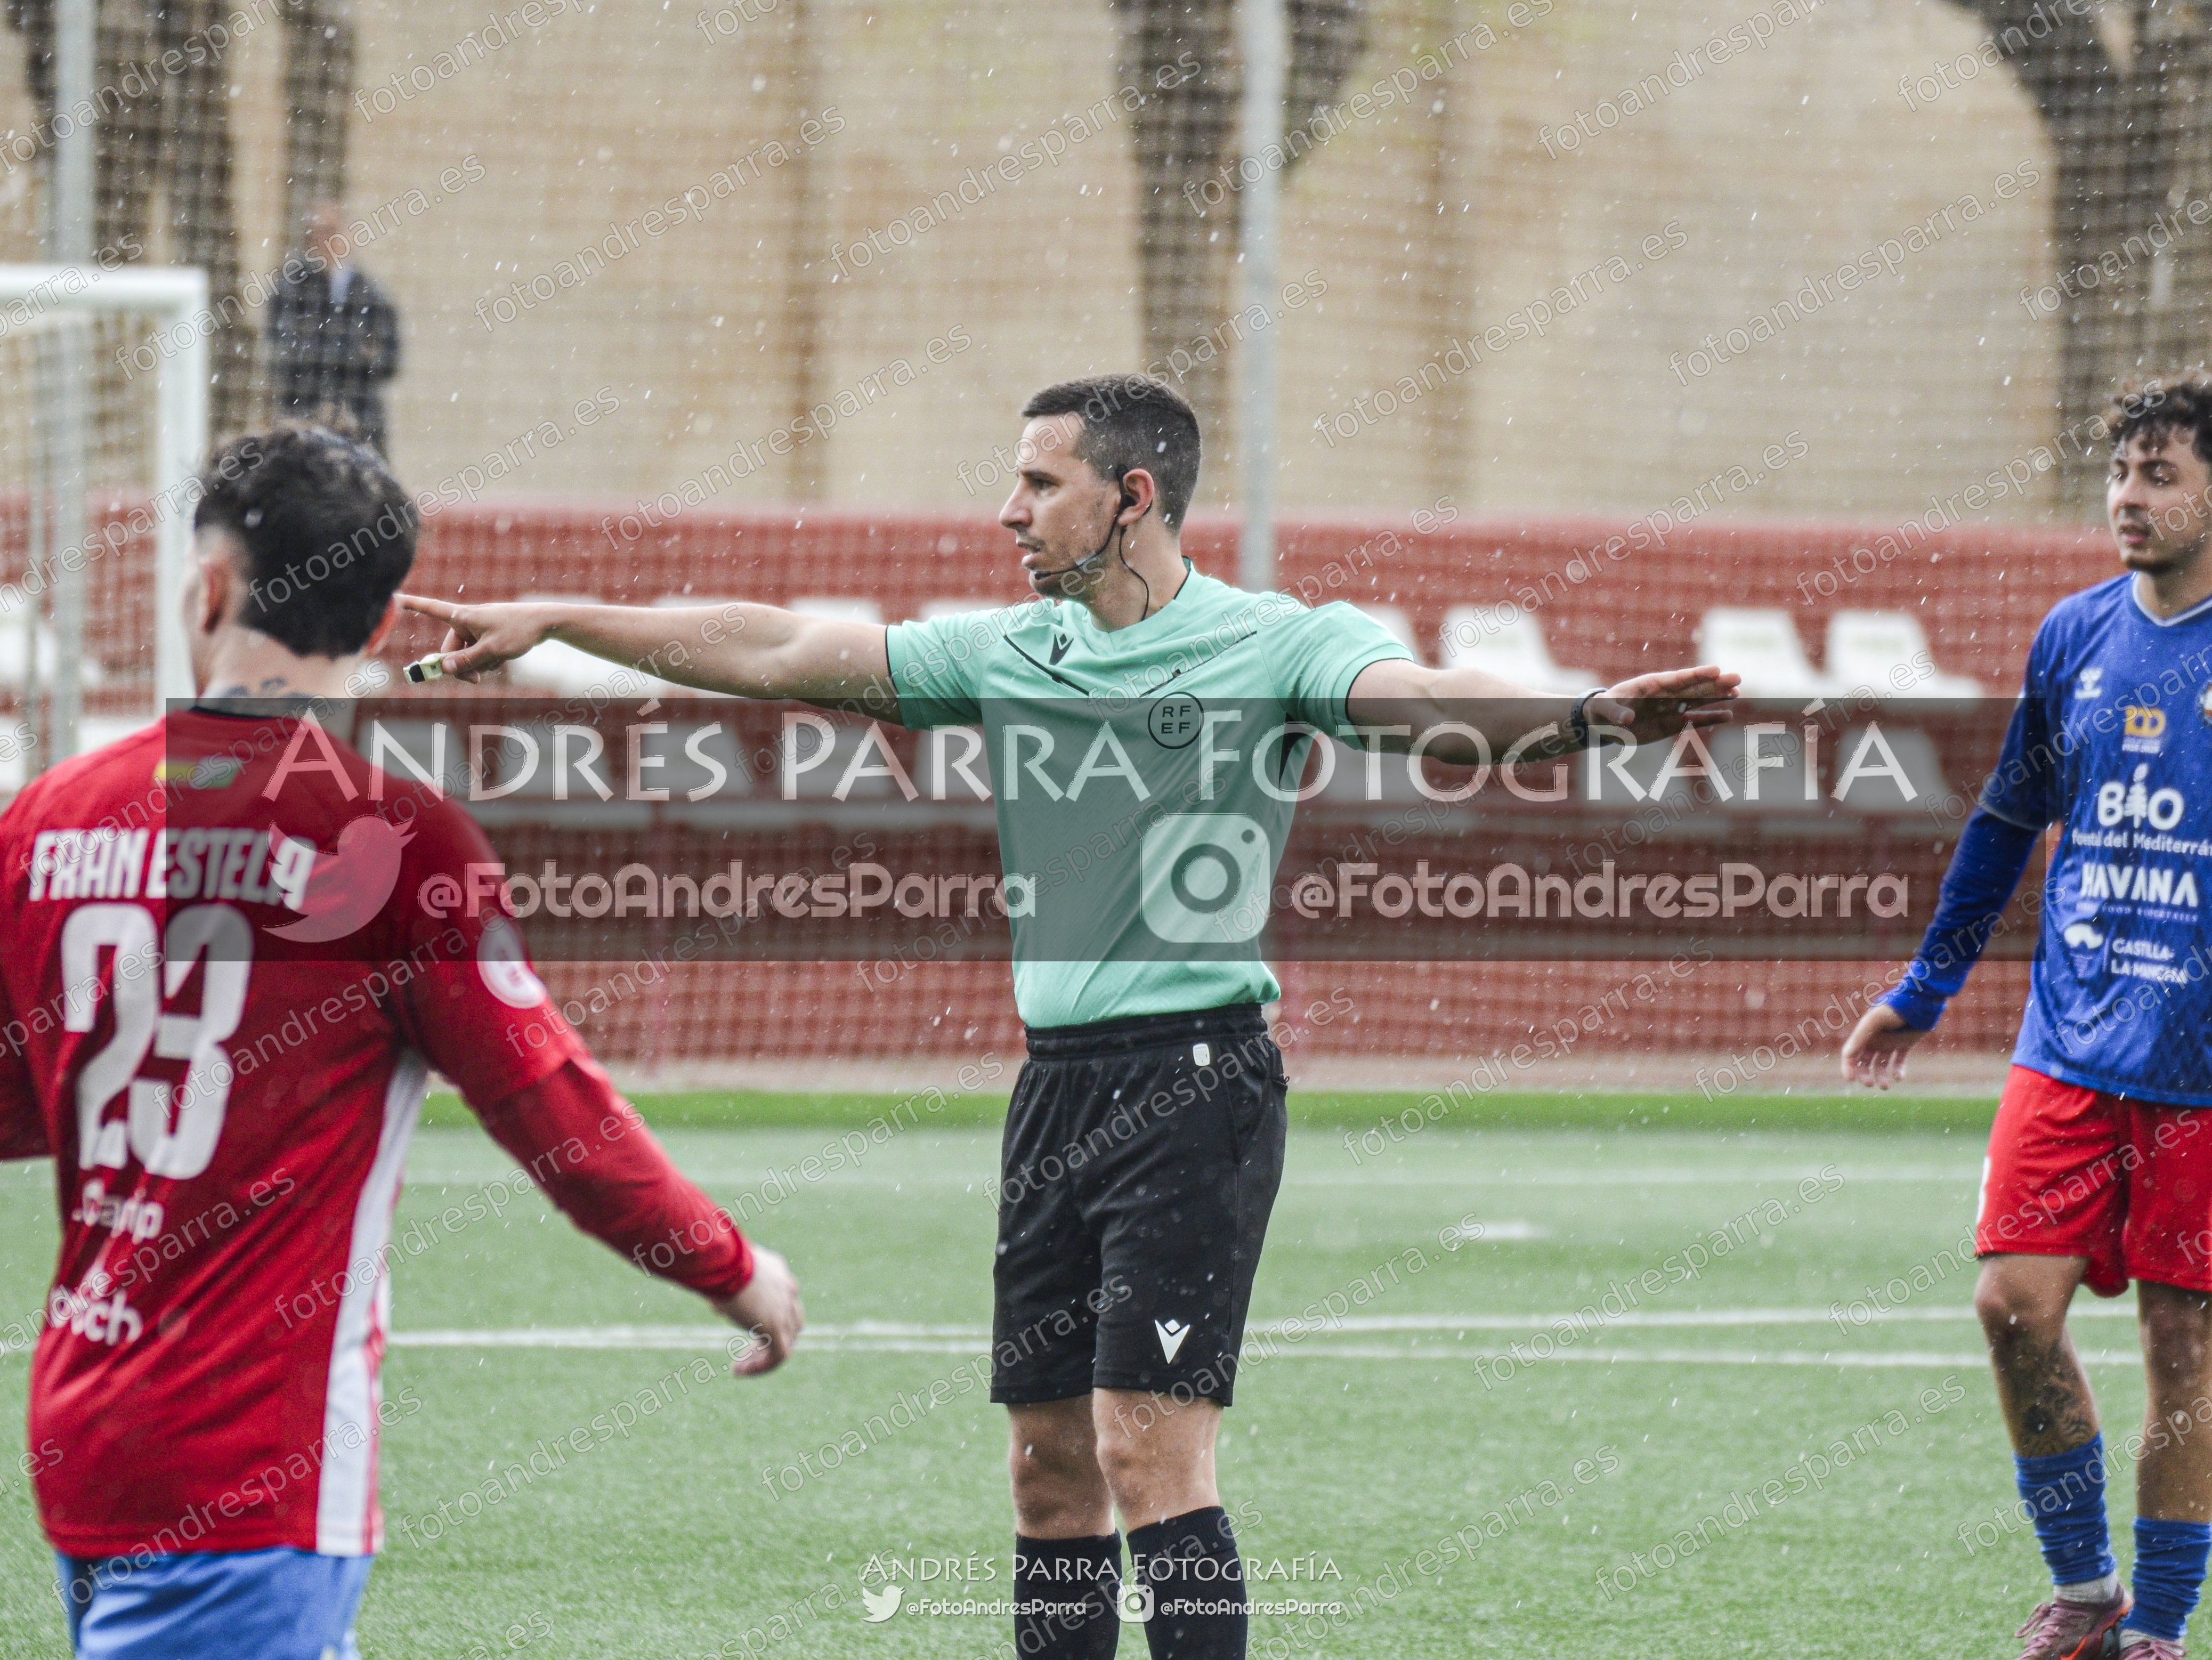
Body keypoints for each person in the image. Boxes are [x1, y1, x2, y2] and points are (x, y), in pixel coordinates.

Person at [400, 373, 1737, 1660]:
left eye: (1040, 483)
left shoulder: (1280, 639)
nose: (1009, 510)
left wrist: (1580, 720)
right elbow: (779, 647)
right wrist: (562, 615)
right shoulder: (1009, 649)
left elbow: (1430, 709)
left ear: (1133, 497)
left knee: (1150, 1454)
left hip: (1195, 1083)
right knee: (1047, 1472)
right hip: (1057, 1090)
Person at [0, 424, 803, 1660]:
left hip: (82, 1433)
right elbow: (556, 1116)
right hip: (250, 1469)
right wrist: (729, 1264)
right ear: (378, 632)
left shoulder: (49, 819)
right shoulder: (397, 846)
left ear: (204, 592)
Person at [1843, 380, 2212, 1660]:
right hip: (2070, 1043)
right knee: (2013, 1307)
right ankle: (2086, 1590)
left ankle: (2157, 1631)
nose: (2128, 496)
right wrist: (1924, 988)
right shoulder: (2075, 637)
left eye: (2160, 474)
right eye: (2120, 471)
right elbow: (2008, 820)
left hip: (2203, 1071)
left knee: (2184, 1340)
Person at [266, 204, 402, 455]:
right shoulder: (291, 290)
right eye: (315, 234)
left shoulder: (372, 295)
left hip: (362, 422)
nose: (323, 241)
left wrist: (331, 353)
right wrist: (353, 353)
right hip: (303, 419)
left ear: (349, 236)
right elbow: (285, 352)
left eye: (330, 232)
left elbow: (390, 362)